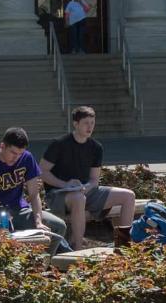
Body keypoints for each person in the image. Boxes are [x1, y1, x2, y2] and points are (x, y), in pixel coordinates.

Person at [40, 106, 137, 250]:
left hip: (85, 191)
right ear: (75, 124)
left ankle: (123, 245)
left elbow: (94, 180)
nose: (90, 127)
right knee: (79, 198)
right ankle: (78, 248)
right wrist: (65, 185)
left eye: (92, 123)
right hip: (58, 194)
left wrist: (86, 187)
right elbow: (42, 171)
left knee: (128, 196)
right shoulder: (59, 144)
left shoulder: (96, 147)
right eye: (86, 123)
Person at [0, 128, 68, 256]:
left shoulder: (27, 158)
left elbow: (34, 194)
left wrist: (38, 221)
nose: (17, 158)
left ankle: (44, 264)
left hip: (20, 210)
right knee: (3, 236)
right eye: (13, 153)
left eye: (20, 153)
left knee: (59, 226)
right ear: (2, 146)